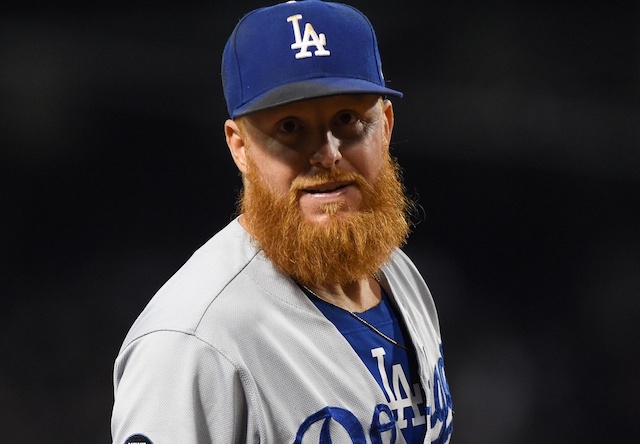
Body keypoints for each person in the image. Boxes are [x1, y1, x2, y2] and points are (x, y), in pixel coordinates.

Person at [110, 1, 453, 443]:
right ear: (240, 148)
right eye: (290, 127)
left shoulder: (401, 277)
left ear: (385, 126)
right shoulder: (192, 341)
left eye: (347, 120)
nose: (327, 154)